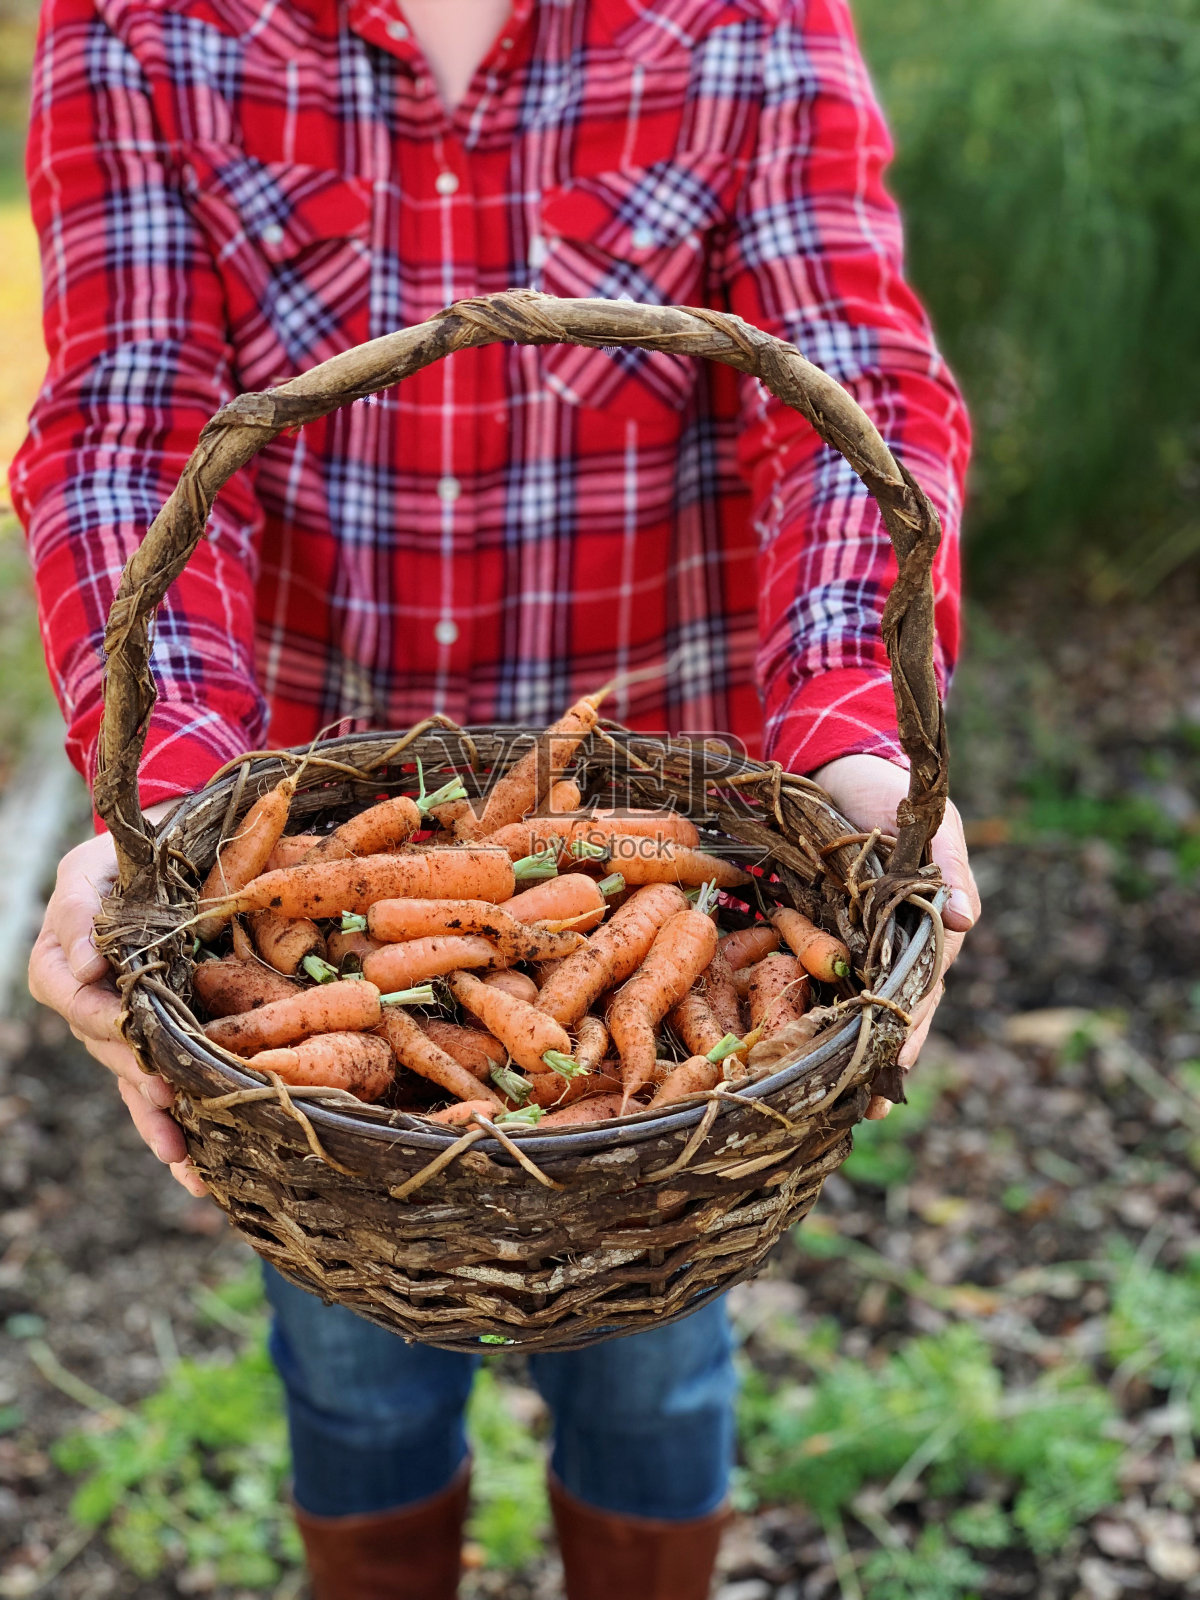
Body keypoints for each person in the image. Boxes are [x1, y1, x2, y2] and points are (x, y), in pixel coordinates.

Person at [16, 0, 979, 1594]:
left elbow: (842, 388)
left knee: (660, 1359)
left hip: (682, 858)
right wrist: (168, 800)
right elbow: (130, 430)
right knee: (349, 1360)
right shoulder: (136, 24)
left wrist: (857, 738)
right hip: (303, 854)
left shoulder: (744, 20)